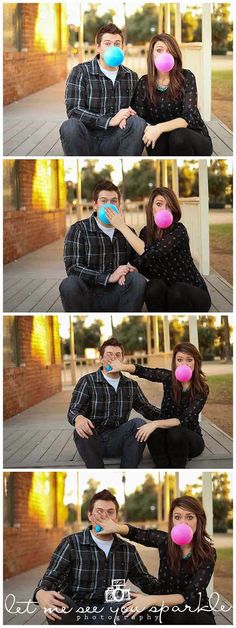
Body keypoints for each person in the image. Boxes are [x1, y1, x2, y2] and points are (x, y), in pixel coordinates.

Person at [33, 489, 161, 625]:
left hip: (110, 612)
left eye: (110, 512)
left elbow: (147, 582)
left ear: (116, 518)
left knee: (135, 608)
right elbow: (51, 579)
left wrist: (176, 591)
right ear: (90, 516)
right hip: (76, 612)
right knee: (59, 603)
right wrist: (40, 593)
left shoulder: (127, 550)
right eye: (99, 511)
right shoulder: (71, 543)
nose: (105, 516)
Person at [94, 495, 217, 625]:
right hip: (163, 607)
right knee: (129, 613)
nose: (183, 523)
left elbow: (188, 596)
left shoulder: (208, 553)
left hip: (195, 612)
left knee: (177, 615)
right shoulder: (165, 541)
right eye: (177, 517)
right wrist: (116, 527)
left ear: (199, 520)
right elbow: (137, 533)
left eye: (190, 517)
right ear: (172, 521)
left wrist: (150, 600)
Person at [105, 187, 212, 312]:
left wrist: (122, 226)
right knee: (153, 287)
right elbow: (141, 262)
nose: (164, 210)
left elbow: (150, 254)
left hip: (192, 295)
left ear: (173, 210)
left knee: (177, 291)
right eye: (159, 204)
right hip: (168, 296)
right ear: (151, 207)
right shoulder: (146, 232)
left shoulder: (178, 230)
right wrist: (129, 270)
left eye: (169, 206)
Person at [106, 342, 208, 468]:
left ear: (196, 362)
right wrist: (122, 366)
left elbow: (184, 420)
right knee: (154, 433)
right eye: (180, 360)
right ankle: (162, 467)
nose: (184, 364)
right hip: (167, 436)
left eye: (189, 360)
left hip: (190, 439)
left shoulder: (202, 389)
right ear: (175, 362)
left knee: (174, 432)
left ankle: (178, 468)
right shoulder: (169, 378)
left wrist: (155, 423)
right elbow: (143, 371)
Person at [67, 337, 161, 468]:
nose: (113, 358)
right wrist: (79, 418)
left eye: (117, 355)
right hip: (93, 440)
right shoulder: (87, 381)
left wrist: (173, 416)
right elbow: (73, 410)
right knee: (80, 429)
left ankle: (128, 470)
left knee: (139, 423)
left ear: (122, 359)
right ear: (101, 359)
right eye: (109, 355)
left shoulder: (130, 385)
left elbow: (148, 409)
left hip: (118, 440)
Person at [59, 180, 147, 312]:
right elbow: (73, 268)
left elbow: (140, 263)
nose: (109, 205)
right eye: (104, 201)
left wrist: (128, 270)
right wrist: (108, 277)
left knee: (137, 279)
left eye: (113, 201)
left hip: (117, 294)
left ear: (119, 205)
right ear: (95, 205)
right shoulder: (78, 229)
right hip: (88, 295)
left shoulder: (127, 232)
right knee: (69, 284)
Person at [60, 23, 146, 156]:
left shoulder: (131, 76)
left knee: (138, 122)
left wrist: (128, 115)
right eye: (107, 43)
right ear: (98, 47)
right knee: (69, 126)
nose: (113, 47)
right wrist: (110, 121)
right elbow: (74, 110)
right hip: (87, 138)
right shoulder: (81, 72)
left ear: (122, 48)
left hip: (116, 139)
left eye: (117, 44)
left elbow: (137, 110)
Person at [131, 33, 213, 156]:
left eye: (169, 51)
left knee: (178, 137)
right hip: (162, 136)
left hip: (191, 136)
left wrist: (158, 128)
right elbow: (140, 116)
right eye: (159, 50)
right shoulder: (144, 82)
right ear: (152, 54)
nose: (164, 55)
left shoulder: (186, 77)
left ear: (174, 55)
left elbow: (188, 117)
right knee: (155, 143)